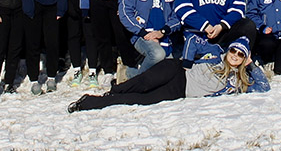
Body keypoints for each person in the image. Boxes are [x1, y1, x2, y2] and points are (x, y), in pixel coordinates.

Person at [68, 36, 268, 112]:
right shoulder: (216, 53)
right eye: (233, 51)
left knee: (141, 100)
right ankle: (115, 90)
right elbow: (192, 40)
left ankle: (91, 102)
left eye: (240, 54)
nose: (235, 56)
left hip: (180, 91)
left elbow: (264, 87)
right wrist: (187, 62)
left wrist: (251, 66)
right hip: (177, 70)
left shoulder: (238, 82)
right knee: (143, 82)